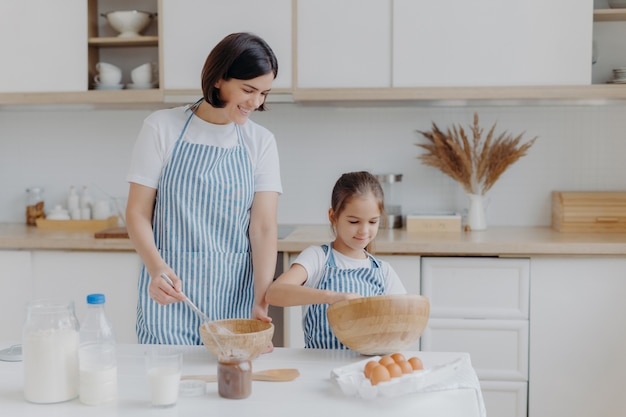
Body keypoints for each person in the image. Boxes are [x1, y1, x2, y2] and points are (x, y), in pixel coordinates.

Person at [125, 32, 281, 345]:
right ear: (219, 78)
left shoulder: (260, 141)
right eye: (248, 89)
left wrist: (261, 301)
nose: (256, 102)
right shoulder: (162, 127)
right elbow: (137, 212)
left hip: (234, 298)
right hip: (170, 296)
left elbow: (263, 228)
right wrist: (156, 269)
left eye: (264, 93)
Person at [265, 171, 406, 349]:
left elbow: (401, 320)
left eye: (372, 222)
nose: (364, 231)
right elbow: (274, 293)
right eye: (354, 222)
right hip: (318, 365)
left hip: (362, 368)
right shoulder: (317, 258)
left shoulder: (383, 271)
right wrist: (331, 297)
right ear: (333, 216)